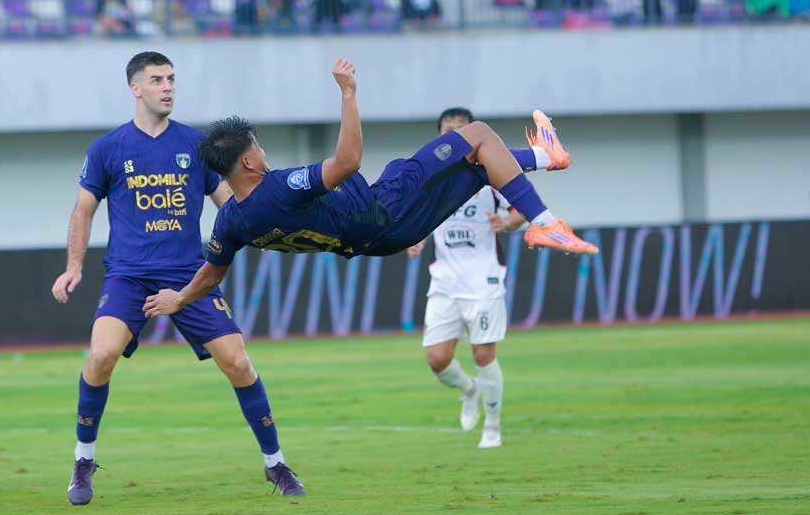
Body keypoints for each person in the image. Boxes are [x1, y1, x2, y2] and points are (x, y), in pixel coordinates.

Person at [143, 61, 597, 328]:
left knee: (479, 164)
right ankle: (543, 223)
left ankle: (544, 156)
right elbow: (347, 162)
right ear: (246, 162)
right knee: (475, 133)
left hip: (376, 240)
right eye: (257, 148)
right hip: (386, 210)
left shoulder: (231, 222)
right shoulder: (278, 189)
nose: (263, 153)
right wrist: (348, 94)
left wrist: (179, 299)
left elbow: (212, 271)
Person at [50, 53, 305, 504]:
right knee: (101, 354)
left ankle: (276, 464)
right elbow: (83, 209)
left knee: (239, 364)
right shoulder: (107, 148)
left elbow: (228, 202)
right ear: (136, 89)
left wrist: (260, 229)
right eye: (157, 79)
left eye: (171, 78)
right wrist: (74, 267)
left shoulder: (196, 145)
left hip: (190, 277)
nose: (167, 86)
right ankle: (83, 460)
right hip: (128, 277)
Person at [406, 107, 559, 449]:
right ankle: (469, 390)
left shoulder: (490, 173)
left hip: (483, 277)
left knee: (483, 355)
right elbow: (419, 218)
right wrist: (414, 239)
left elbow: (519, 206)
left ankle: (493, 425)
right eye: (449, 130)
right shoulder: (432, 180)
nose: (455, 134)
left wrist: (508, 223)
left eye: (463, 129)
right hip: (444, 280)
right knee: (437, 359)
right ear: (439, 138)